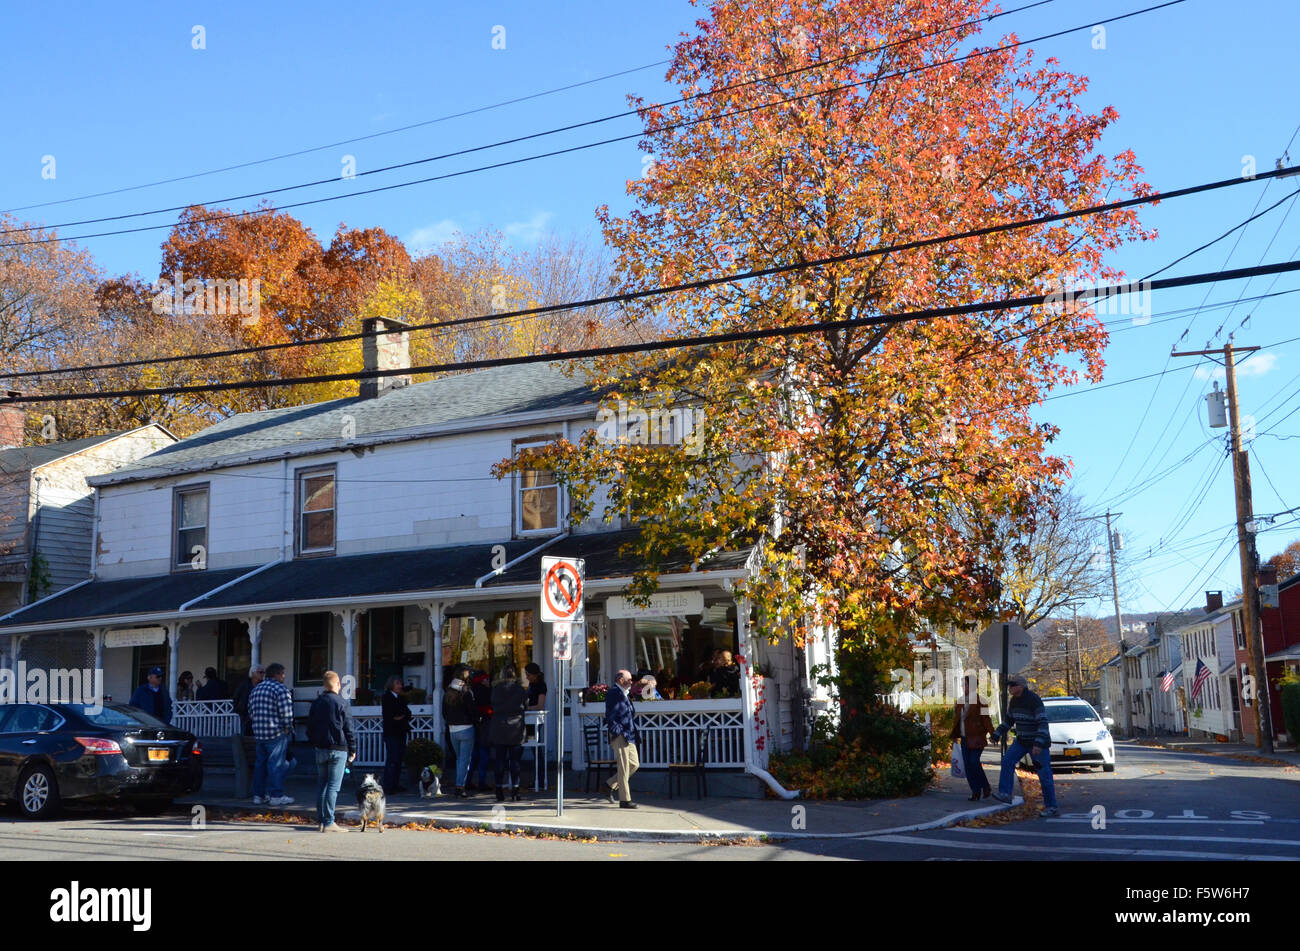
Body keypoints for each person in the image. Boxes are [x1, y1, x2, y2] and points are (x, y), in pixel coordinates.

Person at [991, 675, 1058, 817]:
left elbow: (1043, 722)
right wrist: (997, 733)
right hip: (1021, 741)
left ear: (1021, 686)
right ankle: (1005, 793)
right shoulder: (1014, 701)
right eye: (1009, 686)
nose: (1010, 688)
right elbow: (1009, 720)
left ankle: (1051, 807)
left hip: (1037, 743)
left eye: (1012, 685)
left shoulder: (1033, 700)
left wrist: (1038, 743)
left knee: (1044, 774)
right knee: (1007, 761)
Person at [308, 670, 357, 832]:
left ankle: (321, 820)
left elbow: (309, 728)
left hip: (320, 748)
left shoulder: (316, 703)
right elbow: (349, 728)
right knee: (333, 787)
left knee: (322, 784)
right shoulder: (342, 703)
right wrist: (353, 749)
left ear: (324, 685)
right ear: (338, 684)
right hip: (338, 748)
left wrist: (314, 742)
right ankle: (329, 822)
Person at [249, 662, 296, 807]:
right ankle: (276, 795)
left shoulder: (256, 690)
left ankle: (258, 795)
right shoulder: (280, 689)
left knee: (260, 765)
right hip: (275, 733)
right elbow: (286, 714)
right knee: (276, 764)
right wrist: (287, 728)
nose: (283, 677)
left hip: (259, 733)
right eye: (282, 674)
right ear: (276, 674)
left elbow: (250, 711)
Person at [949, 676, 995, 801]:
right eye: (962, 684)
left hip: (977, 737)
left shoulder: (981, 701)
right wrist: (954, 736)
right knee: (968, 765)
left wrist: (993, 733)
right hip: (964, 738)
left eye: (966, 684)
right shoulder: (959, 702)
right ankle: (975, 791)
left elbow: (986, 719)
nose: (963, 687)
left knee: (974, 762)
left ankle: (985, 786)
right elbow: (956, 721)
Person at [488, 666, 528, 802]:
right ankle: (515, 791)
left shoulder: (496, 689)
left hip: (499, 726)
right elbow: (525, 704)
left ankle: (499, 790)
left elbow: (492, 703)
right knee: (515, 761)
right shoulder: (520, 689)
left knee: (499, 760)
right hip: (515, 727)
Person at [604, 669, 639, 809]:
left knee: (634, 764)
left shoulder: (624, 693)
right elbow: (611, 715)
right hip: (620, 734)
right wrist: (617, 732)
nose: (631, 682)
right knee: (624, 767)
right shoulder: (614, 693)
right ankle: (625, 800)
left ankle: (609, 784)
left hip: (628, 734)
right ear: (620, 680)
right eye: (629, 679)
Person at [443, 665, 480, 797]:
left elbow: (444, 712)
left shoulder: (448, 691)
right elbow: (472, 710)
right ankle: (460, 786)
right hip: (466, 728)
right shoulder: (466, 691)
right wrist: (477, 720)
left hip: (453, 729)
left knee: (459, 759)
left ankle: (459, 784)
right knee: (464, 759)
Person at [381, 675, 411, 794]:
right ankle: (388, 785)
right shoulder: (387, 697)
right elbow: (391, 716)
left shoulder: (401, 698)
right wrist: (399, 716)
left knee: (399, 759)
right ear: (391, 684)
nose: (400, 686)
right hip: (391, 732)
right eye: (397, 683)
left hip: (401, 731)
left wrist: (401, 716)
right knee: (392, 759)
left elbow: (407, 713)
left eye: (400, 684)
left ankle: (395, 783)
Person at [468, 670, 493, 792]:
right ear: (481, 680)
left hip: (473, 724)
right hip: (484, 725)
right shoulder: (487, 692)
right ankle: (481, 782)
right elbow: (491, 707)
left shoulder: (470, 691)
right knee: (484, 753)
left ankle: (467, 781)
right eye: (486, 679)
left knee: (473, 754)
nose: (488, 681)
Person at [233, 665, 264, 736]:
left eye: (263, 672)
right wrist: (239, 710)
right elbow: (236, 698)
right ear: (253, 673)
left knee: (259, 735)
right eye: (260, 672)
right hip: (246, 714)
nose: (262, 674)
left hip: (260, 715)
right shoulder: (244, 685)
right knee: (246, 735)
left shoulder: (264, 685)